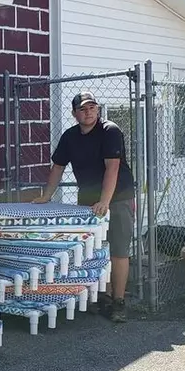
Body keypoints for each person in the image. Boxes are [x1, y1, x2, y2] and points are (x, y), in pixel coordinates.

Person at [33, 91, 134, 323]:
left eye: (92, 107)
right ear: (74, 113)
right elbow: (57, 166)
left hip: (117, 198)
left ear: (97, 110)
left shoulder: (110, 131)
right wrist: (46, 195)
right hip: (88, 201)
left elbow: (112, 168)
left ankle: (118, 302)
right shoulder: (70, 136)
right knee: (95, 251)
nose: (88, 112)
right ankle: (102, 297)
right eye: (83, 109)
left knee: (118, 250)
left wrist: (105, 202)